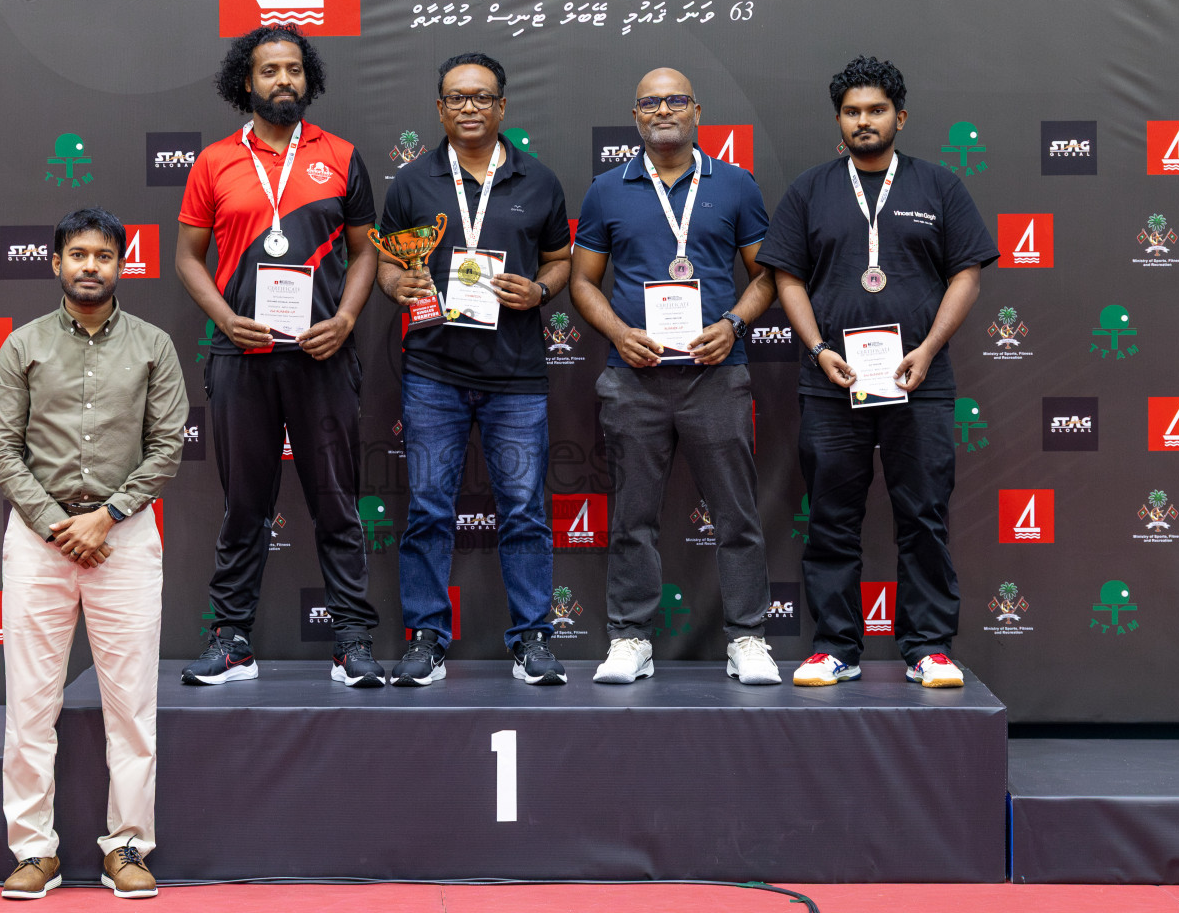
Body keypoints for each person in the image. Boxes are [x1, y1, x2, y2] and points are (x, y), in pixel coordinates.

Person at [753, 55, 997, 689]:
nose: (865, 121)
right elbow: (787, 276)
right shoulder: (810, 189)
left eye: (877, 110)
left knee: (923, 515)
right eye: (853, 111)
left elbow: (966, 272)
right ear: (839, 120)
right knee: (832, 517)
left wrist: (930, 347)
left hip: (919, 380)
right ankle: (835, 647)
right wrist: (815, 348)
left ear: (900, 116)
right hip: (835, 384)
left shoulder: (939, 187)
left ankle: (928, 649)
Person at [0, 206, 188, 899]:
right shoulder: (23, 346)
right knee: (30, 705)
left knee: (130, 705)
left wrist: (106, 517)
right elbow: (2, 451)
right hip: (38, 543)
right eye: (79, 255)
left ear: (122, 263)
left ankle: (127, 845)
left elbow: (167, 449)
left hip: (124, 540)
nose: (91, 266)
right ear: (57, 264)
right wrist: (54, 523)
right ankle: (34, 849)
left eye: (104, 255)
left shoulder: (154, 346)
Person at [175, 25, 386, 688]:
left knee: (336, 503)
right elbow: (186, 256)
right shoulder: (214, 162)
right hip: (243, 356)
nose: (283, 81)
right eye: (270, 70)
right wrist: (224, 318)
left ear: (309, 78)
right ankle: (232, 640)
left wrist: (347, 319)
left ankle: (352, 643)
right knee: (244, 504)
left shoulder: (342, 157)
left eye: (294, 69)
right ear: (247, 80)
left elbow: (366, 251)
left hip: (322, 356)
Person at [571, 68, 781, 686]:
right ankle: (631, 637)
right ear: (635, 115)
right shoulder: (607, 189)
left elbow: (766, 276)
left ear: (697, 111)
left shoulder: (736, 185)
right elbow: (583, 281)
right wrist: (616, 332)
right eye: (650, 103)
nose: (663, 110)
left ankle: (748, 637)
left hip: (715, 374)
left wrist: (734, 324)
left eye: (675, 100)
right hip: (634, 377)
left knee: (737, 513)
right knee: (633, 516)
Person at [377, 52, 573, 686]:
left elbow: (561, 260)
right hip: (433, 372)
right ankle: (426, 638)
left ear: (502, 107)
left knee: (524, 510)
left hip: (515, 377)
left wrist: (541, 293)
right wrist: (396, 287)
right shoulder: (411, 184)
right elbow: (384, 263)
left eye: (482, 97)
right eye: (457, 97)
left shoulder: (538, 181)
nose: (469, 107)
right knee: (429, 508)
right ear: (439, 108)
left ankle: (533, 639)